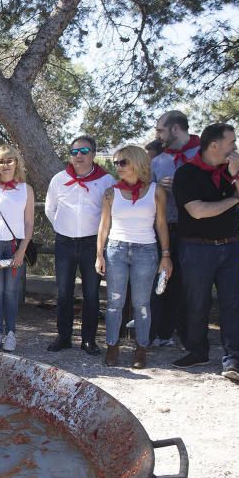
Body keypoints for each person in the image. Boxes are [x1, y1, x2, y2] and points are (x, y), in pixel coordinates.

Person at [172, 123, 239, 381]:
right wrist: (234, 199)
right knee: (196, 303)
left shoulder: (236, 171)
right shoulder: (186, 173)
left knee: (232, 304)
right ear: (215, 145)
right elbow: (197, 211)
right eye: (231, 142)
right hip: (196, 248)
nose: (235, 147)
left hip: (231, 247)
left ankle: (233, 359)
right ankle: (197, 351)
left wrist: (237, 178)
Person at [95, 145, 173, 369]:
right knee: (114, 302)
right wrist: (99, 254)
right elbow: (104, 226)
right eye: (116, 162)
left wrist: (165, 255)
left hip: (146, 250)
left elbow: (161, 224)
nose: (118, 167)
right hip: (116, 249)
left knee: (141, 303)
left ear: (137, 163)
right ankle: (112, 345)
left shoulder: (156, 191)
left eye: (123, 162)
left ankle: (141, 348)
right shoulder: (111, 192)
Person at [44, 135, 116, 355]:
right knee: (64, 292)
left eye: (84, 152)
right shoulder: (58, 179)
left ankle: (88, 340)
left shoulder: (106, 181)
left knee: (91, 294)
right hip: (64, 243)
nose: (79, 156)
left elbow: (110, 214)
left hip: (91, 244)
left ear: (93, 154)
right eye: (74, 152)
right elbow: (50, 208)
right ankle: (63, 337)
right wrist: (62, 228)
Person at [150, 110, 201, 347]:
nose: (157, 135)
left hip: (196, 229)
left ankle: (190, 336)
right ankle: (162, 332)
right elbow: (146, 192)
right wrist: (158, 187)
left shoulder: (202, 154)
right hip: (164, 227)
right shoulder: (159, 161)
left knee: (192, 282)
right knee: (163, 280)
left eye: (160, 129)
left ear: (175, 129)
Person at [0, 145, 35, 352]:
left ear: (16, 163)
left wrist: (22, 251)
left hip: (15, 246)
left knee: (11, 292)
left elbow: (29, 223)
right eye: (1, 161)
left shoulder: (26, 190)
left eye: (9, 160)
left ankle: (10, 333)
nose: (5, 165)